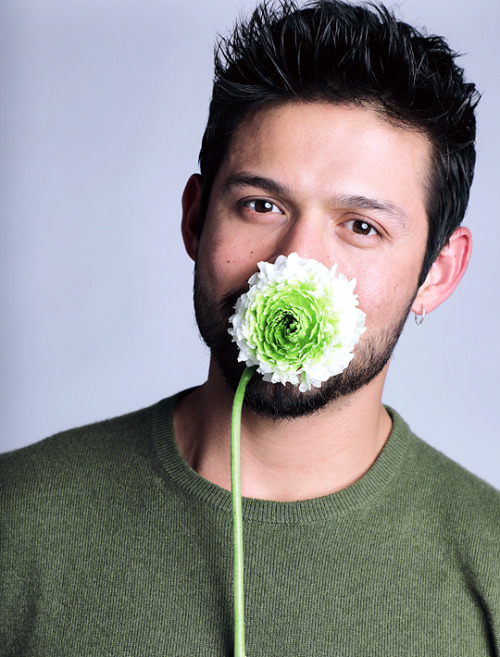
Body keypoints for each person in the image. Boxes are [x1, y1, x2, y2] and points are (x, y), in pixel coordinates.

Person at [1, 1, 499, 655]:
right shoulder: (19, 519)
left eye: (361, 226)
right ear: (195, 219)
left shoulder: (487, 566)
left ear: (437, 271)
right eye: (260, 205)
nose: (298, 267)